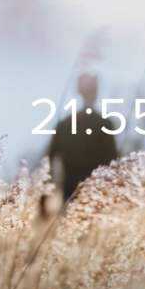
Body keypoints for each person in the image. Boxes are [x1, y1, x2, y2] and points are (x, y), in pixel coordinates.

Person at [41, 73, 119, 218]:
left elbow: (48, 163)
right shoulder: (105, 125)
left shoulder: (64, 125)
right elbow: (113, 163)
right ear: (96, 92)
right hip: (97, 197)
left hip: (70, 196)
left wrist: (42, 202)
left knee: (68, 237)